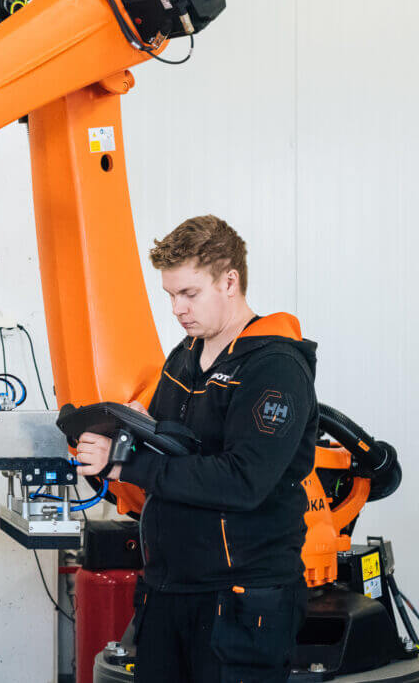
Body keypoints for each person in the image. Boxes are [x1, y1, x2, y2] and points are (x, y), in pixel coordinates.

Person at [73, 215, 317, 682]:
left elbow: (244, 480)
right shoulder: (184, 356)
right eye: (170, 295)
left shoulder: (275, 367)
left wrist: (128, 464)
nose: (177, 309)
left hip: (241, 601)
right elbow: (170, 452)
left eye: (189, 294)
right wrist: (114, 438)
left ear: (230, 281)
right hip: (169, 590)